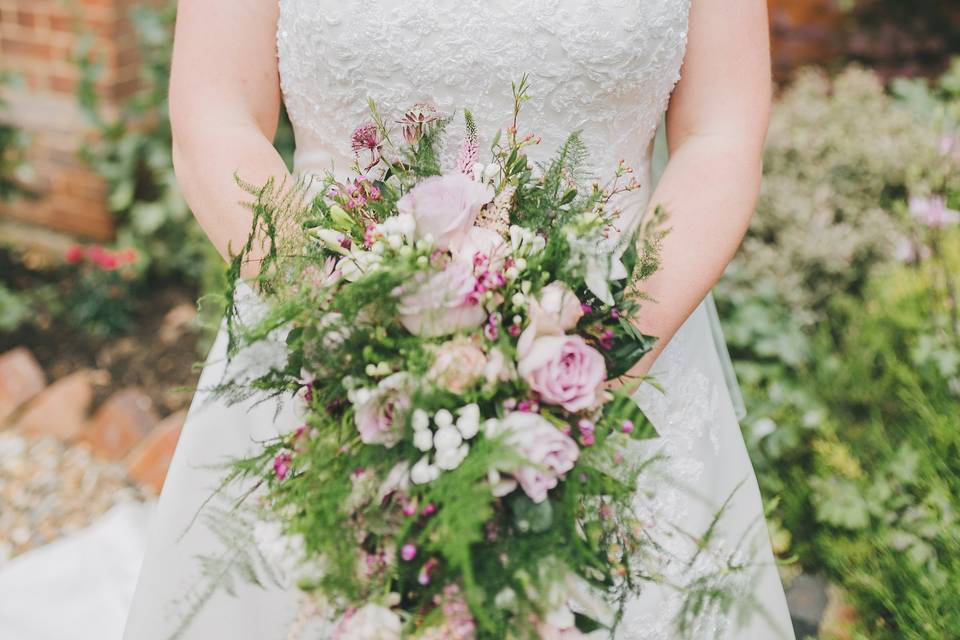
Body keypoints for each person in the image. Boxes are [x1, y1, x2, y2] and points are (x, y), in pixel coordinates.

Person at [124, 1, 796, 638]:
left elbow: (721, 133)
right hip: (325, 362)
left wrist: (595, 361)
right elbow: (215, 112)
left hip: (620, 365)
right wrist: (350, 335)